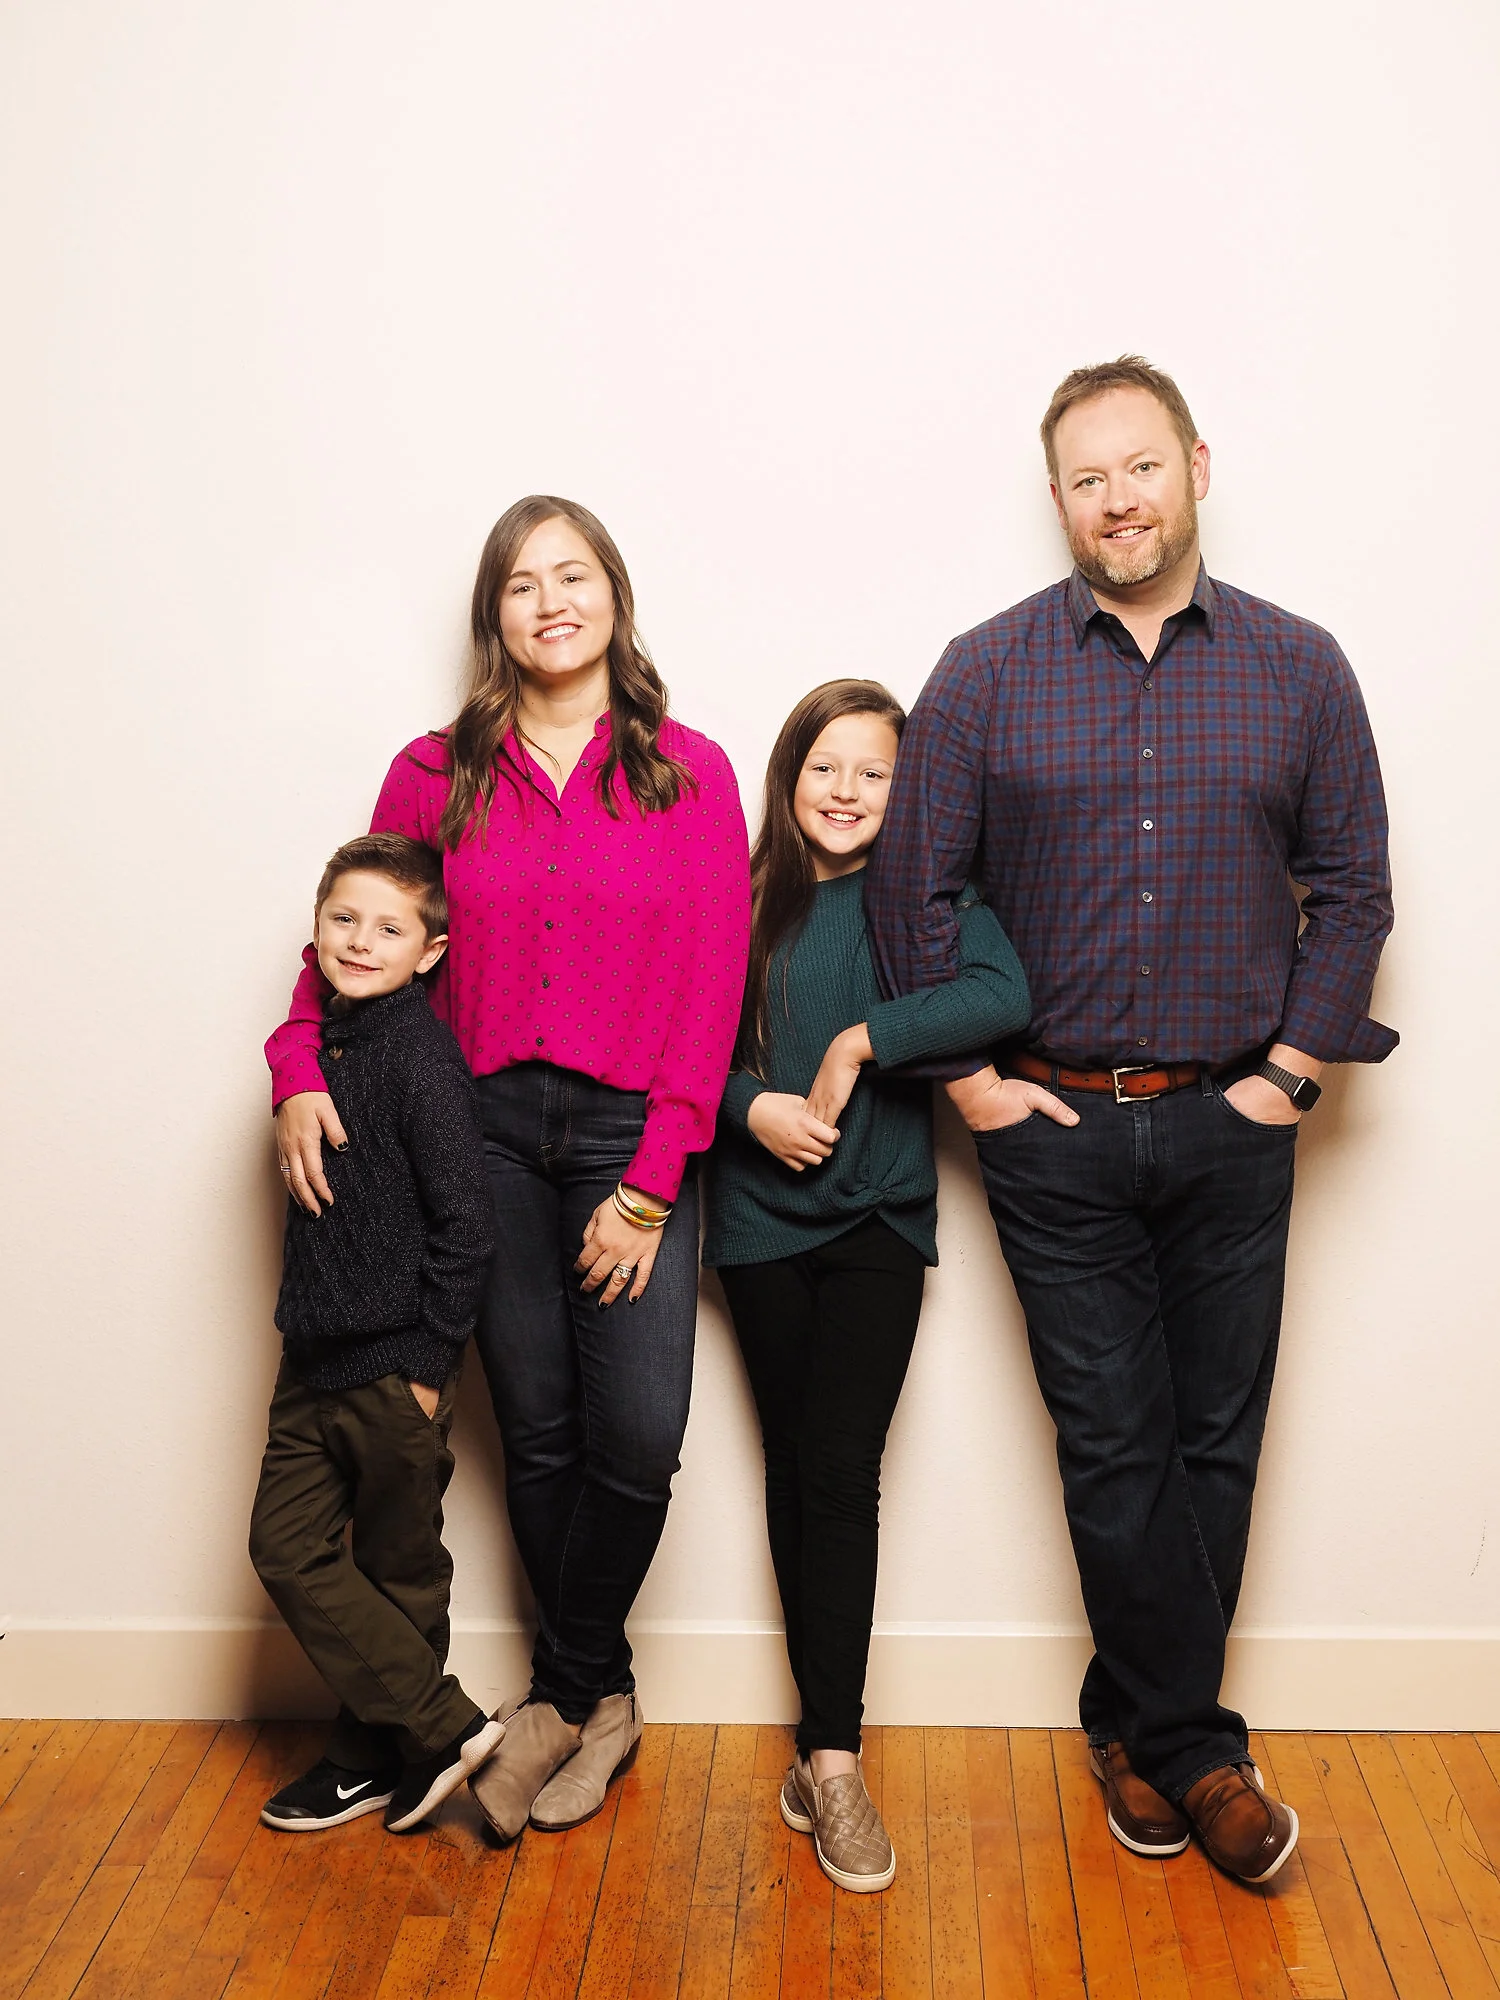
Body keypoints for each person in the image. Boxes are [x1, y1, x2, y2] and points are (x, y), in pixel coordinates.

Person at [866, 357, 1396, 1886]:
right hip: (1056, 1132)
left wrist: (1288, 1075)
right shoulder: (985, 671)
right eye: (1089, 478)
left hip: (1237, 1119)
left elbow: (1355, 890)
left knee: (1216, 1440)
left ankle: (1136, 1729)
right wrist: (972, 1083)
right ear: (1057, 499)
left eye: (1142, 467)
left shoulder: (1301, 666)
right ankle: (1206, 1760)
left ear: (1196, 467)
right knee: (1114, 1444)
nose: (1120, 500)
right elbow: (913, 888)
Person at [268, 497, 750, 1843]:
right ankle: (600, 1701)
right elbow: (356, 943)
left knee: (637, 1437)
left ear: (615, 595)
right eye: (522, 583)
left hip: (626, 1137)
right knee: (535, 1432)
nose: (552, 602)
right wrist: (297, 1062)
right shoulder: (432, 773)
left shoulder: (690, 772)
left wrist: (652, 1179)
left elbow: (713, 984)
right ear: (495, 615)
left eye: (573, 575)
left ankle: (566, 1692)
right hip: (473, 1137)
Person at [705, 680, 1031, 1893]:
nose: (845, 790)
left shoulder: (927, 904)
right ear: (790, 775)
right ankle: (818, 1750)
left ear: (909, 789)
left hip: (880, 1216)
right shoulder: (739, 896)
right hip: (757, 1220)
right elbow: (681, 1042)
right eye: (825, 766)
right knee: (796, 1466)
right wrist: (753, 1107)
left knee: (840, 1469)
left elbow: (1005, 994)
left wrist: (859, 1041)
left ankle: (834, 1761)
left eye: (875, 771)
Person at [250, 834, 503, 1835]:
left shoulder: (421, 1061)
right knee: (286, 1548)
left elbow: (468, 1226)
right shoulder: (316, 1049)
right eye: (344, 919)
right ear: (314, 931)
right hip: (309, 1355)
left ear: (429, 952)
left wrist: (429, 1367)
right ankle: (445, 1726)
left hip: (396, 1366)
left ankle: (369, 1757)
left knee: (402, 1568)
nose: (361, 941)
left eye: (389, 928)